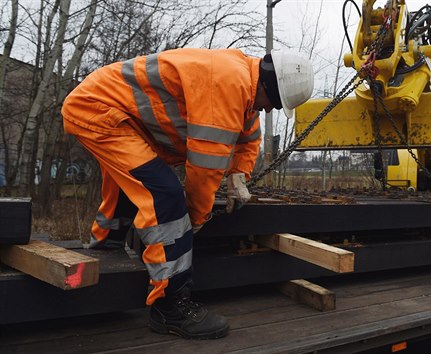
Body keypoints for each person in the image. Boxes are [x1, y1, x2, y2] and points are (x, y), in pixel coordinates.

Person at [61, 48, 314, 339]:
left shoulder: (244, 83)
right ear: (268, 85)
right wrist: (193, 221)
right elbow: (203, 171)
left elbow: (249, 137)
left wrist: (238, 176)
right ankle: (170, 308)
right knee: (165, 198)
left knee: (130, 185)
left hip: (118, 115)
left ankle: (107, 246)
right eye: (274, 104)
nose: (270, 110)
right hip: (98, 109)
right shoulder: (228, 83)